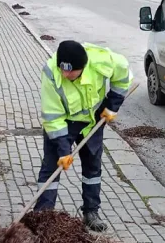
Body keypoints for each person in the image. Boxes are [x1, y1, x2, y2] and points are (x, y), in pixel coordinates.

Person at [35, 40, 132, 231]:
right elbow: (53, 115)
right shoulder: (50, 72)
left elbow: (123, 76)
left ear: (83, 66)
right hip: (63, 123)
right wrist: (64, 150)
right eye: (63, 70)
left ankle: (91, 212)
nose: (65, 74)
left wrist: (112, 106)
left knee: (92, 166)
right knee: (51, 167)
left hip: (92, 120)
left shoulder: (102, 62)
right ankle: (43, 216)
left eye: (71, 72)